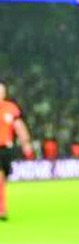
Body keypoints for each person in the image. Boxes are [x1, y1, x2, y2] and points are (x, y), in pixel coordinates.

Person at [0, 80, 32, 221]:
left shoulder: (11, 108)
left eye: (2, 91)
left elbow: (19, 126)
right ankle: (2, 210)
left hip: (5, 149)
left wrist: (26, 143)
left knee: (3, 179)